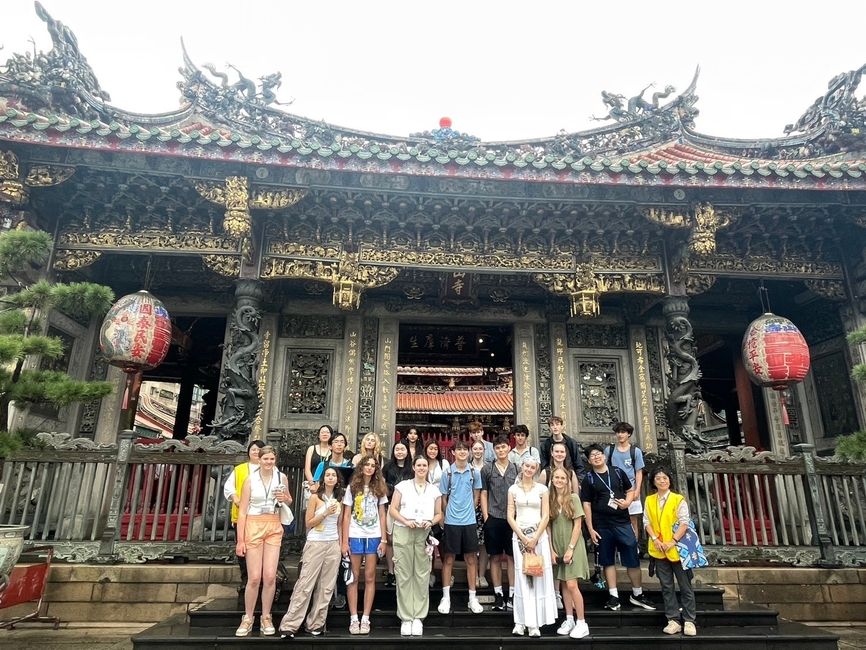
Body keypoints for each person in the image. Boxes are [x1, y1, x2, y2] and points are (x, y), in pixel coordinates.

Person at [581, 443, 655, 612]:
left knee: (632, 556)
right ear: (589, 460)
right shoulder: (589, 478)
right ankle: (613, 596)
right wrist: (590, 528)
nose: (597, 457)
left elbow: (630, 490)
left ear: (604, 455)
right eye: (592, 455)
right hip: (602, 525)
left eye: (599, 454)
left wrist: (628, 502)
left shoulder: (617, 472)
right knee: (607, 560)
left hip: (622, 522)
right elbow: (586, 504)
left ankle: (637, 593)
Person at [278, 467, 344, 638]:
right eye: (327, 475)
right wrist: (324, 513)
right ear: (323, 479)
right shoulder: (315, 497)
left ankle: (316, 623)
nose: (330, 478)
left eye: (333, 475)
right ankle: (290, 624)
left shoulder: (340, 499)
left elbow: (340, 524)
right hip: (316, 542)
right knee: (305, 584)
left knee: (326, 586)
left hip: (333, 543)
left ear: (337, 479)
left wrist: (341, 544)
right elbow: (308, 523)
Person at [234, 445, 291, 637]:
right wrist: (240, 540)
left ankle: (266, 615)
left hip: (273, 524)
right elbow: (242, 511)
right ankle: (248, 616)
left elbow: (289, 500)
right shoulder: (250, 480)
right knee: (254, 577)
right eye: (265, 459)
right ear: (259, 459)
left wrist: (284, 497)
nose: (268, 462)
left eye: (272, 459)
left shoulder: (280, 477)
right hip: (254, 524)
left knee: (269, 576)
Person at [389, 455, 444, 637]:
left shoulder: (434, 490)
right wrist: (406, 520)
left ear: (428, 468)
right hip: (404, 530)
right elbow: (393, 509)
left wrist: (431, 522)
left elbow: (439, 514)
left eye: (424, 465)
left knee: (421, 574)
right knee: (404, 574)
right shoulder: (402, 486)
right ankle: (406, 617)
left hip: (423, 532)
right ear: (413, 467)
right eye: (418, 465)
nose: (421, 468)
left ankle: (418, 616)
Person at [644, 466, 697, 637]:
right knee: (666, 586)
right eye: (658, 478)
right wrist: (655, 539)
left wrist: (672, 541)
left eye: (665, 478)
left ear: (670, 480)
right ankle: (673, 619)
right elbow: (646, 522)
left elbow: (684, 522)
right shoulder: (649, 500)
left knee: (685, 585)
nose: (662, 481)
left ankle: (689, 620)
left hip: (677, 549)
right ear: (653, 481)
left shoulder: (677, 499)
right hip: (659, 549)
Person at [507, 456, 556, 637]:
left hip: (538, 537)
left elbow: (546, 515)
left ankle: (534, 622)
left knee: (536, 577)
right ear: (522, 466)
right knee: (521, 579)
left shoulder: (542, 489)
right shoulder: (513, 489)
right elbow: (510, 515)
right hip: (520, 537)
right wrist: (522, 536)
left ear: (536, 470)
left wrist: (535, 537)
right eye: (526, 466)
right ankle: (520, 621)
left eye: (532, 467)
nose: (529, 469)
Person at [341, 455, 388, 635]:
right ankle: (353, 617)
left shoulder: (379, 488)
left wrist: (383, 539)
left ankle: (366, 617)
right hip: (355, 533)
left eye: (373, 465)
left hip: (373, 534)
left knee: (369, 576)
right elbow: (345, 515)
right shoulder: (352, 487)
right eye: (366, 465)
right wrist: (344, 541)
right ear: (361, 467)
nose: (369, 468)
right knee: (353, 576)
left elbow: (382, 514)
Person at [437, 440, 484, 615]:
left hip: (469, 521)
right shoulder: (447, 473)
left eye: (465, 449)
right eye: (459, 449)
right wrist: (447, 514)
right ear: (453, 452)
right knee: (448, 559)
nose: (462, 452)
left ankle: (472, 597)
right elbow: (443, 498)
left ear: (469, 452)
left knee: (471, 559)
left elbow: (476, 495)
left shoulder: (474, 472)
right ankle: (446, 596)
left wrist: (469, 510)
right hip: (451, 521)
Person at [548, 467, 590, 639]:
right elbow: (549, 527)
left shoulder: (573, 498)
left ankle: (582, 622)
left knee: (572, 585)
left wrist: (570, 549)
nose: (559, 480)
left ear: (567, 480)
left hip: (572, 546)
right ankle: (569, 618)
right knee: (564, 584)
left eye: (562, 478)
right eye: (556, 477)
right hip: (557, 545)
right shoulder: (550, 500)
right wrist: (551, 549)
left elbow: (578, 525)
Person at [480, 434, 518, 611]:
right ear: (494, 450)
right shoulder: (487, 470)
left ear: (509, 448)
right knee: (494, 557)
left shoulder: (516, 469)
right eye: (498, 448)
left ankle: (512, 593)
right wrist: (486, 517)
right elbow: (484, 493)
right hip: (494, 517)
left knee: (511, 557)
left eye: (504, 447)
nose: (501, 450)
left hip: (512, 519)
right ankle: (498, 594)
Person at [223, 439, 265, 593]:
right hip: (243, 515)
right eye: (253, 449)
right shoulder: (240, 469)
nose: (255, 452)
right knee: (243, 548)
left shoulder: (268, 468)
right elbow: (229, 487)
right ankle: (245, 578)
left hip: (262, 517)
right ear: (248, 452)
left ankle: (259, 579)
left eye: (259, 450)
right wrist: (236, 498)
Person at [606, 421, 646, 542]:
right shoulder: (609, 450)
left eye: (623, 432)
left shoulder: (635, 451)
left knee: (633, 519)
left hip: (631, 489)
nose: (620, 435)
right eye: (618, 432)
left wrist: (637, 490)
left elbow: (638, 472)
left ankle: (635, 545)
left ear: (629, 434)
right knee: (614, 518)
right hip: (615, 490)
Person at [382, 440, 414, 586]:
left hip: (408, 508)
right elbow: (382, 486)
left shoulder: (412, 469)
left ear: (407, 451)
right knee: (390, 540)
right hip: (390, 506)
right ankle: (391, 572)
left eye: (402, 449)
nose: (400, 451)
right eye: (397, 449)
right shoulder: (388, 467)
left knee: (407, 540)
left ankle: (404, 571)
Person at [469, 440, 489, 589]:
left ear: (484, 450)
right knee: (472, 545)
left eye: (480, 448)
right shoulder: (467, 467)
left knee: (484, 544)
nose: (477, 451)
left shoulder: (489, 467)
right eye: (475, 448)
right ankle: (473, 574)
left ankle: (481, 575)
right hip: (470, 509)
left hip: (487, 509)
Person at [304, 425, 333, 495]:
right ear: (319, 435)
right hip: (312, 487)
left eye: (327, 432)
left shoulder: (334, 451)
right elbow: (307, 469)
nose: (325, 434)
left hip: (329, 486)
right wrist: (313, 484)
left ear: (331, 435)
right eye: (322, 432)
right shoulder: (311, 449)